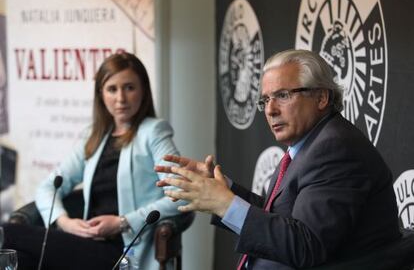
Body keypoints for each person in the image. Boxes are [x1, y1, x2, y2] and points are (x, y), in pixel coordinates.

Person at [156, 49, 401, 269]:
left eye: (283, 95)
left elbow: (306, 246)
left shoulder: (335, 148)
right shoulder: (311, 143)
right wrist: (222, 188)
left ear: (321, 98)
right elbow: (281, 217)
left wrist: (226, 204)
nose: (271, 110)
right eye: (265, 100)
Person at [2, 52, 184, 270]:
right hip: (86, 244)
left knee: (8, 232)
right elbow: (47, 187)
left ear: (143, 90)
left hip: (124, 252)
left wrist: (122, 222)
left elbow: (181, 196)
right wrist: (64, 223)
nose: (120, 99)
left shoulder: (153, 132)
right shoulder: (95, 136)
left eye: (129, 87)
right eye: (112, 89)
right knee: (18, 260)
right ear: (101, 94)